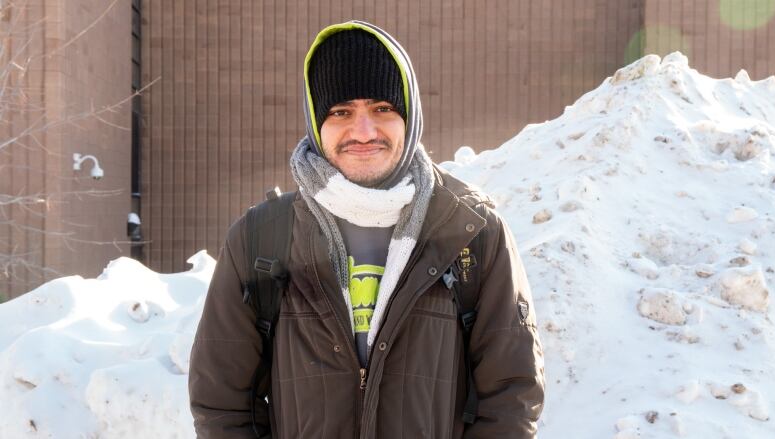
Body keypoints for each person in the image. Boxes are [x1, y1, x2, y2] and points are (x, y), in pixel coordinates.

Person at [189, 20, 544, 438]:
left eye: (382, 108)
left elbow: (510, 398)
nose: (363, 131)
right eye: (341, 112)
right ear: (316, 122)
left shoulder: (471, 233)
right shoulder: (262, 239)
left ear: (408, 118)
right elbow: (223, 405)